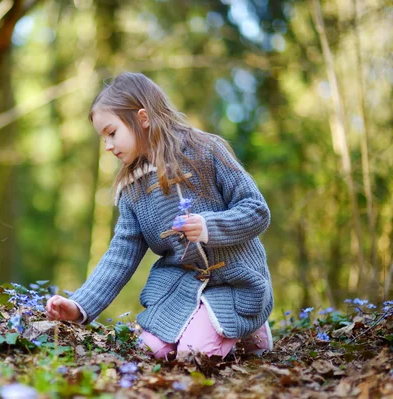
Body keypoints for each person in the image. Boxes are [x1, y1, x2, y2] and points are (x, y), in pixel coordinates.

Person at [46, 72, 273, 360]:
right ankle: (207, 326)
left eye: (112, 133)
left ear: (142, 118)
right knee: (150, 351)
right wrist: (79, 305)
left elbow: (256, 209)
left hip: (234, 282)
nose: (108, 146)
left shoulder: (207, 150)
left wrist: (208, 227)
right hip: (180, 289)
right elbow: (120, 255)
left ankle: (250, 327)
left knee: (194, 354)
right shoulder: (132, 189)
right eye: (103, 138)